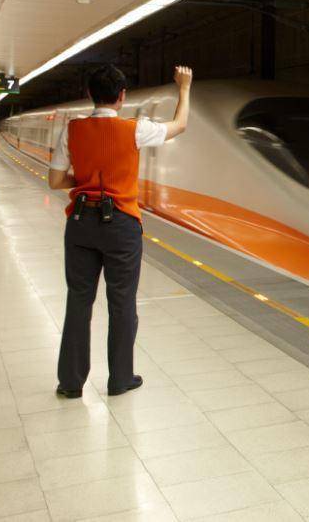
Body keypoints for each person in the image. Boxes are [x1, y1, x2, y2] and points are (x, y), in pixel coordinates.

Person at [48, 64, 192, 398]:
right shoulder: (135, 129)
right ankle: (120, 379)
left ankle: (70, 383)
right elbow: (180, 124)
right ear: (122, 97)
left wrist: (85, 183)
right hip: (122, 226)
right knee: (122, 303)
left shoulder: (72, 130)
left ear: (89, 95)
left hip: (81, 224)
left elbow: (55, 181)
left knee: (79, 302)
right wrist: (184, 88)